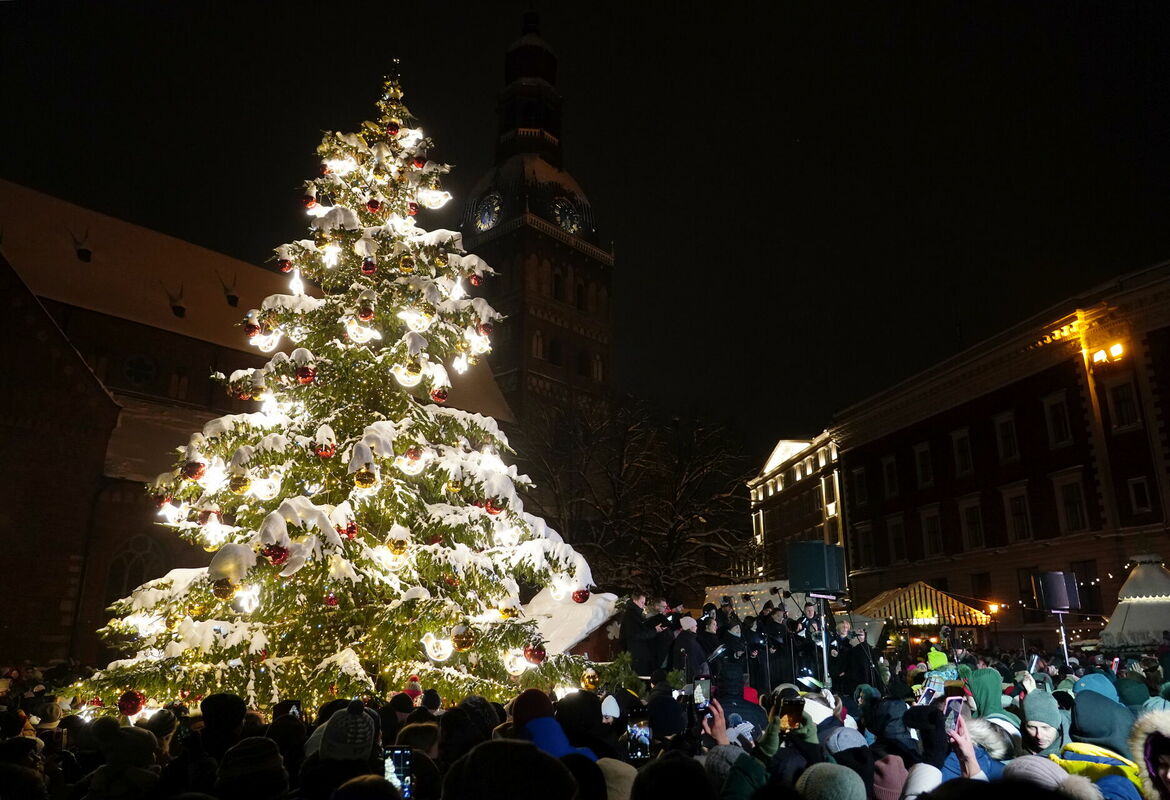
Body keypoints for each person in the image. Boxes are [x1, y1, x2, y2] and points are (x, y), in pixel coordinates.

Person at [620, 591, 662, 677]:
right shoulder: (631, 615)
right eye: (642, 602)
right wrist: (654, 631)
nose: (643, 605)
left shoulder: (634, 614)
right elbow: (638, 634)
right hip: (636, 655)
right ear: (635, 601)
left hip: (637, 653)